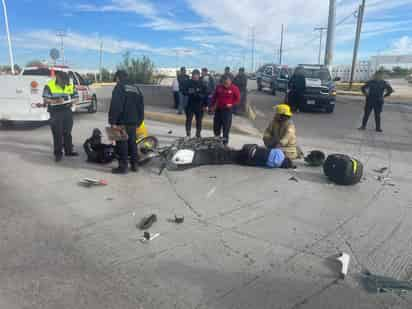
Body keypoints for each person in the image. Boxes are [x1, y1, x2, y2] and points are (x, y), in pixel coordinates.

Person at [109, 70, 144, 174]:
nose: (116, 81)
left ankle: (123, 167)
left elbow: (116, 106)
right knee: (132, 143)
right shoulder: (136, 89)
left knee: (121, 144)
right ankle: (135, 165)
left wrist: (112, 121)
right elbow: (141, 106)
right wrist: (139, 121)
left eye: (116, 79)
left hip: (122, 121)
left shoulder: (119, 87)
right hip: (134, 121)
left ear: (118, 78)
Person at [43, 70, 79, 162]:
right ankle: (58, 154)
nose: (65, 83)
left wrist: (72, 101)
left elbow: (76, 97)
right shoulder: (49, 85)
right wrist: (56, 101)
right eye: (62, 80)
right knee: (57, 133)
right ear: (58, 78)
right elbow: (45, 100)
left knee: (67, 132)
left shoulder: (69, 84)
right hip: (55, 112)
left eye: (66, 80)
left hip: (67, 110)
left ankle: (68, 151)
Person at [211, 75, 240, 145]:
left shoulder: (234, 88)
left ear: (230, 81)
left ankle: (225, 145)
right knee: (216, 128)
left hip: (227, 112)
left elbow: (238, 100)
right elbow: (214, 97)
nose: (225, 84)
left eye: (227, 82)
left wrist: (232, 104)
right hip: (218, 111)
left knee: (226, 129)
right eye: (224, 82)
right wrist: (212, 106)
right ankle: (217, 143)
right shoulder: (219, 87)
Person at [184, 69, 208, 138]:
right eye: (193, 75)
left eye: (196, 75)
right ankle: (188, 134)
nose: (194, 76)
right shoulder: (188, 83)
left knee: (199, 121)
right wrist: (188, 92)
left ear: (198, 75)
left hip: (199, 105)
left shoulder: (202, 83)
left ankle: (198, 134)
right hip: (190, 104)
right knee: (188, 120)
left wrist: (205, 105)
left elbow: (205, 95)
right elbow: (183, 91)